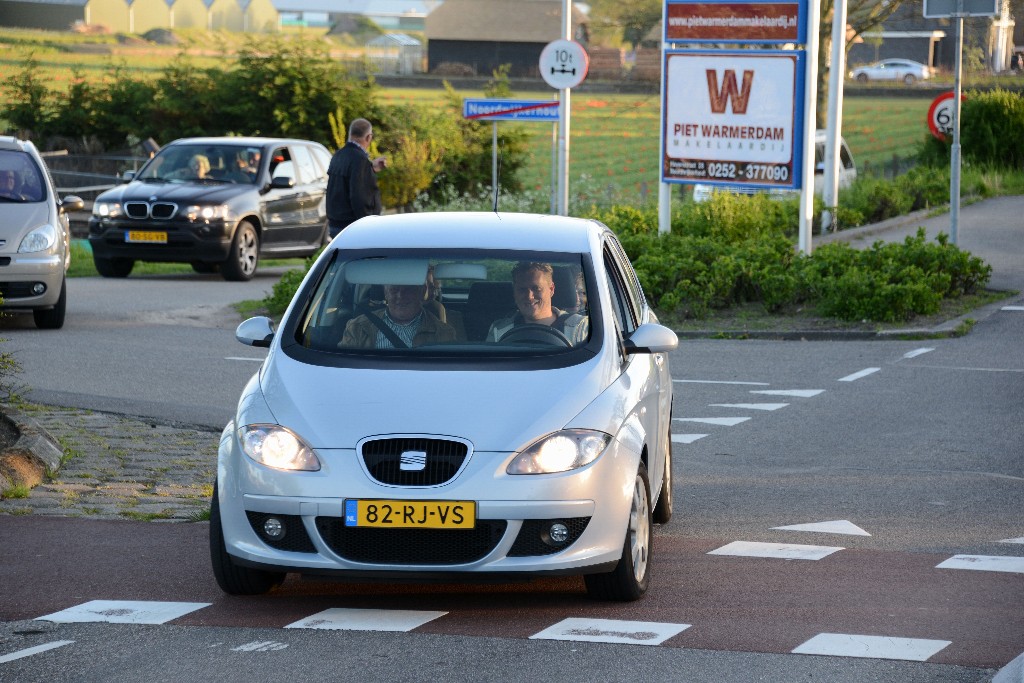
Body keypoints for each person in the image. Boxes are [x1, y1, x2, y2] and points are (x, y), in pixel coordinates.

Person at [486, 262, 588, 344]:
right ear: (514, 292)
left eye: (536, 288)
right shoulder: (499, 331)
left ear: (551, 289)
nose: (529, 296)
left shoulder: (580, 328)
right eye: (522, 290)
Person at [340, 281, 456, 350]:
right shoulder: (357, 327)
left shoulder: (444, 333)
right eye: (394, 290)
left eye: (408, 290)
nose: (400, 296)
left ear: (422, 292)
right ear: (385, 293)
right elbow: (342, 368)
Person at [326, 118, 387, 238]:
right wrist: (367, 223)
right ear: (369, 137)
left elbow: (344, 183)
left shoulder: (338, 156)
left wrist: (371, 168)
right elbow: (359, 196)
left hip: (335, 223)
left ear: (350, 134)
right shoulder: (359, 160)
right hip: (352, 227)